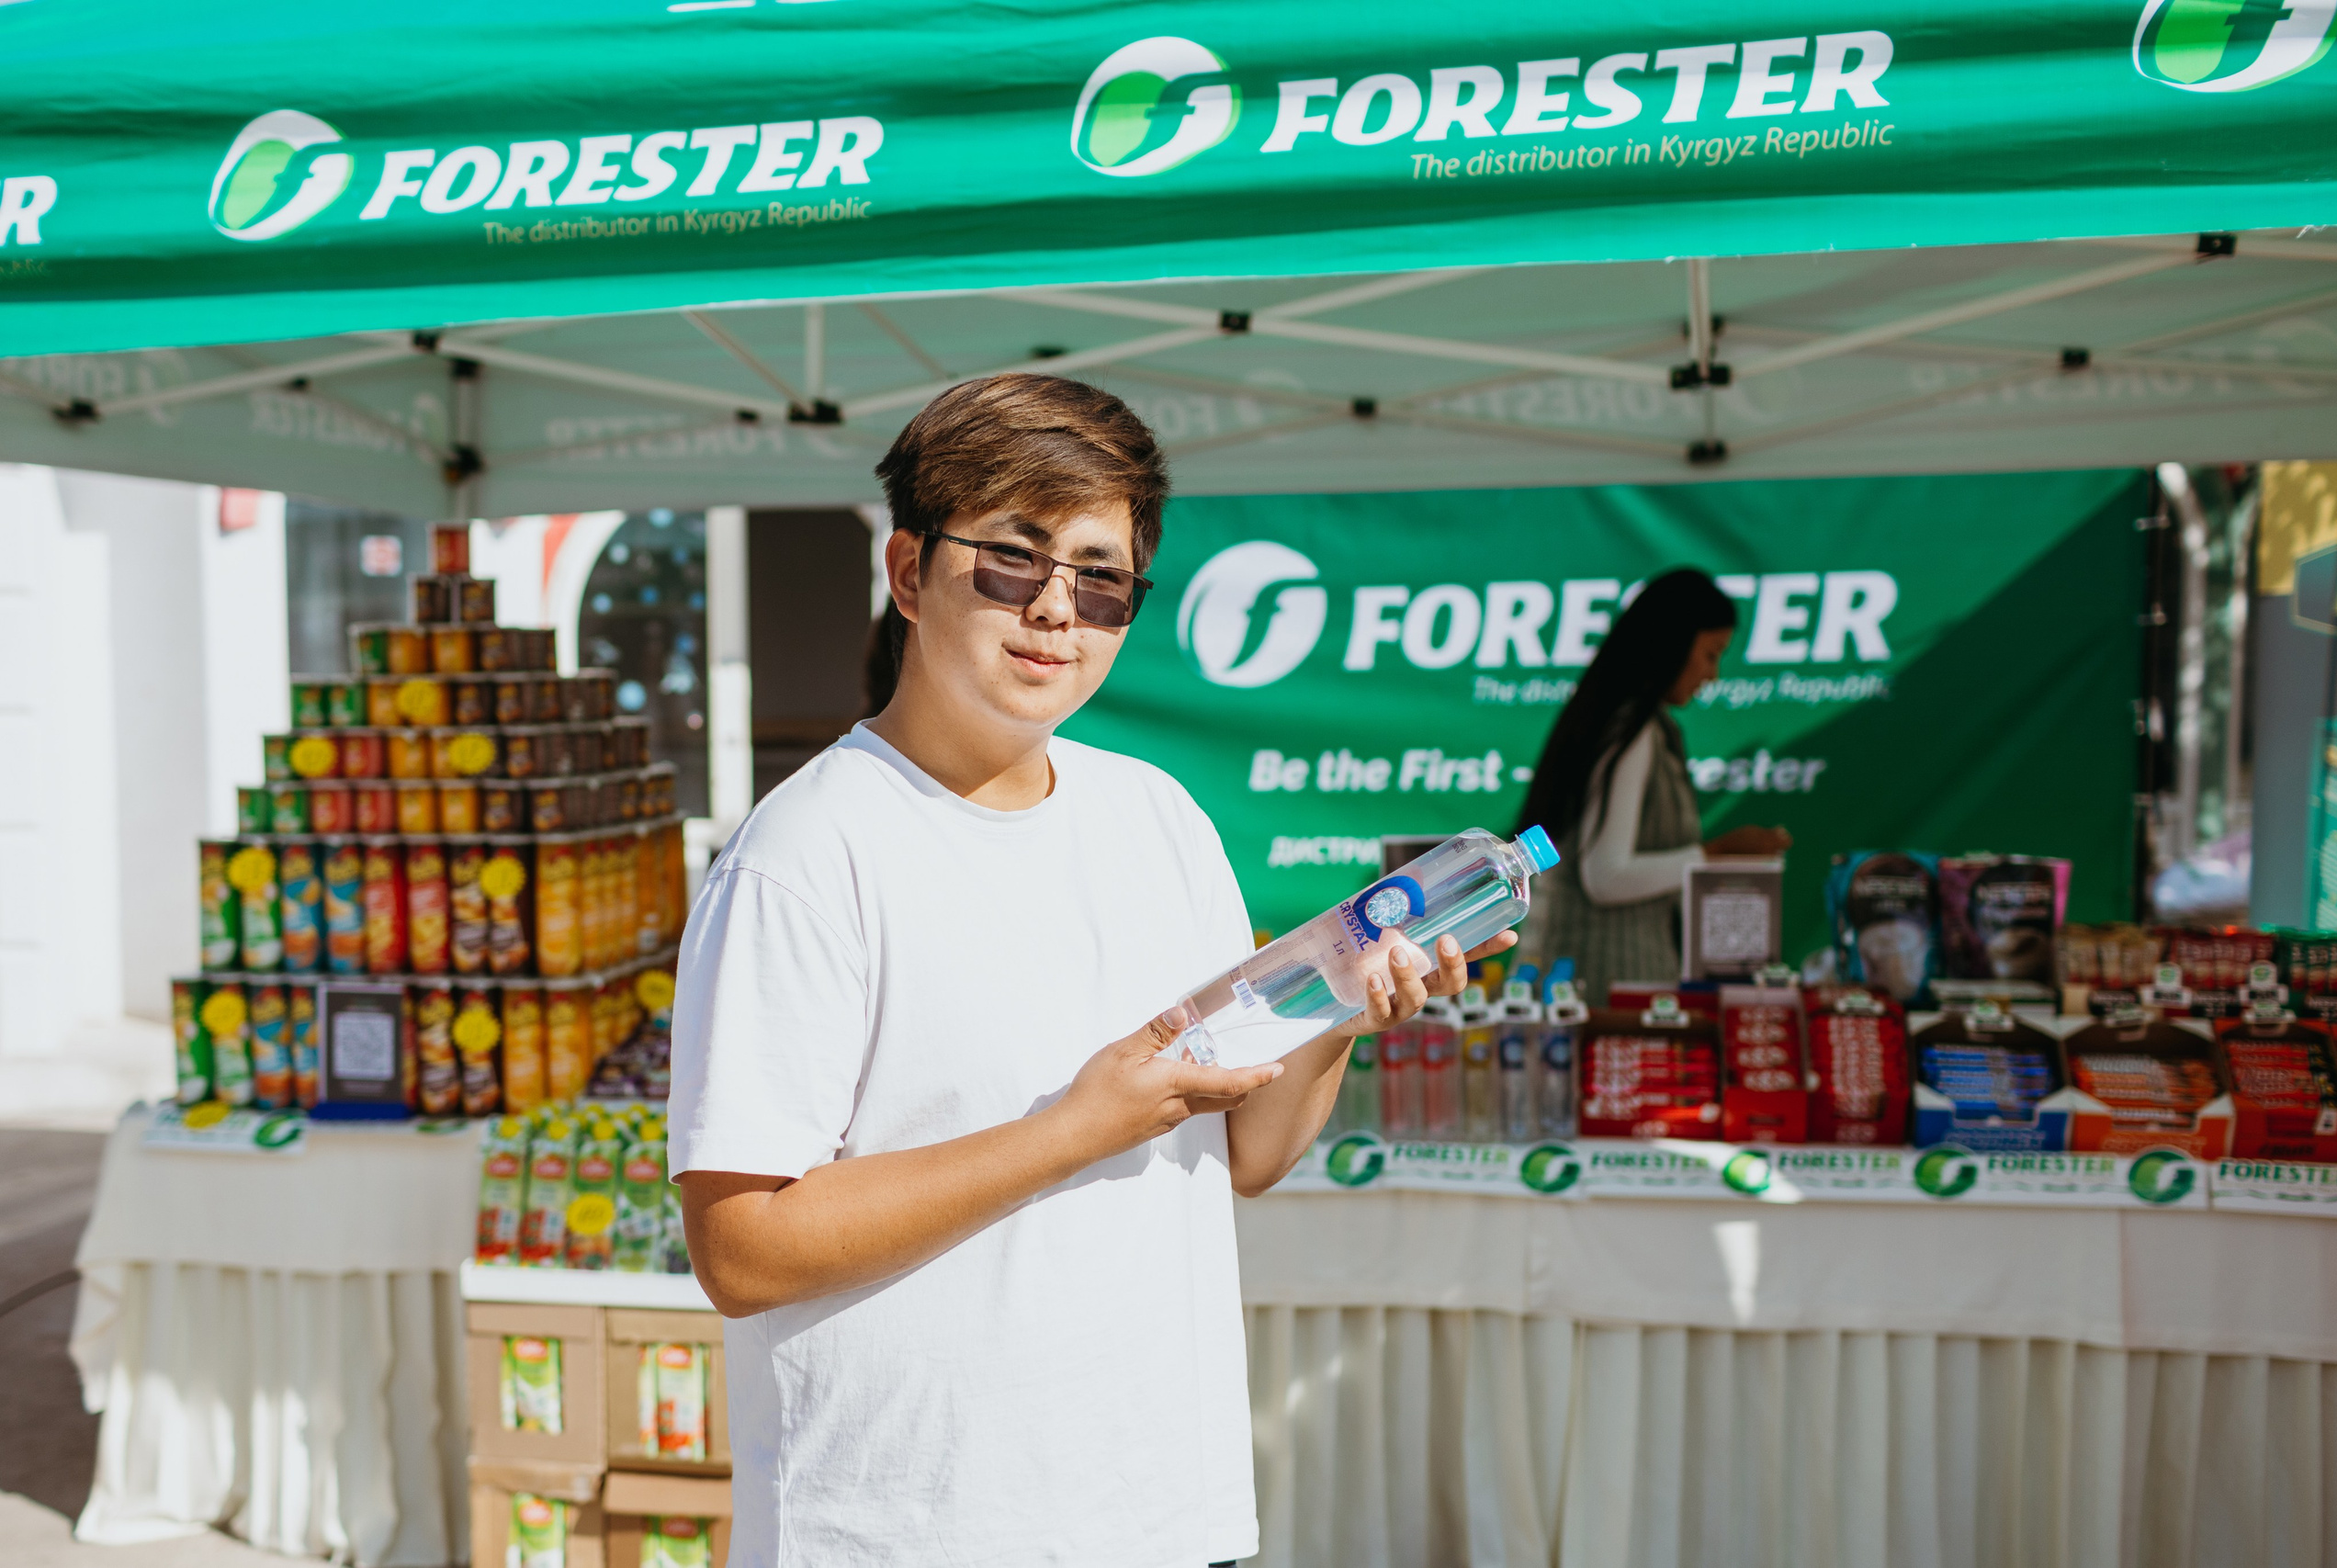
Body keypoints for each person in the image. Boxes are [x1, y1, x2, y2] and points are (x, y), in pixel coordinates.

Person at [668, 372, 1512, 1568]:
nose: (1056, 607)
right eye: (1012, 557)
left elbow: (1249, 1153)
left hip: (1166, 1514)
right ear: (908, 572)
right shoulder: (809, 851)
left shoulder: (1157, 816)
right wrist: (1076, 1124)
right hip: (912, 1532)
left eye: (1100, 575)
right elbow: (743, 1245)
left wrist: (1337, 1016)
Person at [1514, 568, 1789, 998]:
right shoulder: (1632, 731)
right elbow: (1605, 876)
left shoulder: (1630, 725)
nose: (1712, 675)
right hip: (1601, 996)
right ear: (1673, 645)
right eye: (1711, 654)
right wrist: (1718, 853)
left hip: (1582, 990)